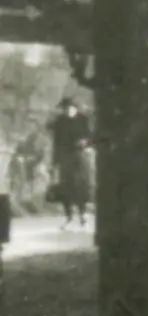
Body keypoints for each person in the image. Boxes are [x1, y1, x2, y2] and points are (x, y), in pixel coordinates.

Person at [48, 97, 93, 230]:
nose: (67, 111)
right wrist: (54, 162)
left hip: (80, 155)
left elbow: (90, 136)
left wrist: (86, 143)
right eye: (65, 108)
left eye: (70, 108)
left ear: (75, 108)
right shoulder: (59, 122)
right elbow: (56, 143)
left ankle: (83, 213)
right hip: (65, 157)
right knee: (65, 187)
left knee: (81, 185)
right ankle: (69, 216)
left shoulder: (83, 119)